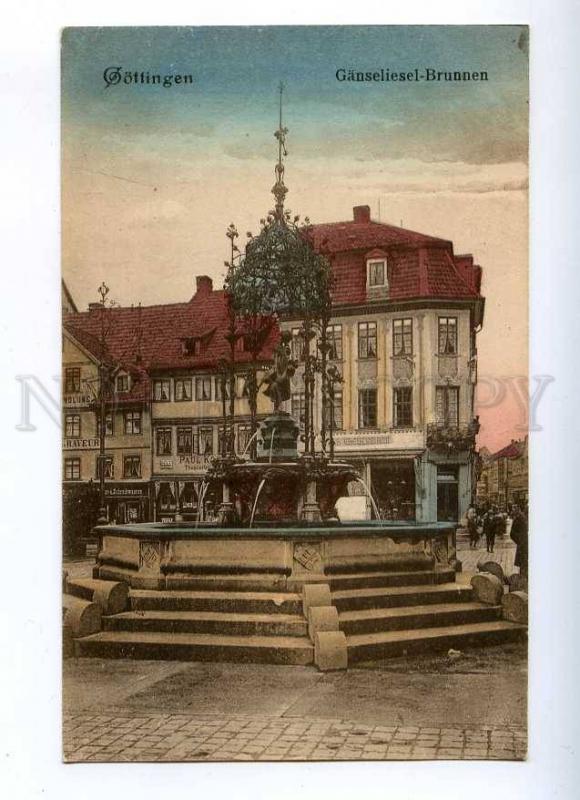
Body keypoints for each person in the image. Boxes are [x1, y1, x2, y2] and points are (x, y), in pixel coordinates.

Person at [510, 504, 528, 579]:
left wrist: (520, 541)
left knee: (524, 564)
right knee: (524, 564)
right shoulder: (521, 517)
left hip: (524, 544)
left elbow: (512, 533)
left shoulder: (520, 517)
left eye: (514, 508)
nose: (512, 510)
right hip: (524, 544)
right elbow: (512, 534)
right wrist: (520, 541)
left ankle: (523, 580)